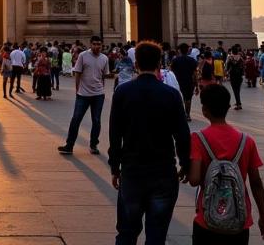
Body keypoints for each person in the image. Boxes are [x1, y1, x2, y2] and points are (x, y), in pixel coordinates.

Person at [108, 41, 190, 245]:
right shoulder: (171, 94)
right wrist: (185, 164)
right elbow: (182, 134)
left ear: (136, 63)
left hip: (132, 170)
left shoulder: (122, 92)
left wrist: (114, 166)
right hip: (163, 171)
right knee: (157, 234)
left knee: (126, 232)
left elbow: (114, 134)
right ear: (159, 63)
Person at [189, 84, 264, 243]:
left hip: (207, 220)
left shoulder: (198, 138)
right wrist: (263, 216)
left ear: (204, 110)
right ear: (228, 107)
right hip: (239, 221)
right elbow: (256, 182)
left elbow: (194, 180)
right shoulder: (246, 141)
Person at [59, 35, 110, 156]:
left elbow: (104, 75)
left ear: (102, 45)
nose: (97, 46)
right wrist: (77, 90)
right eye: (95, 44)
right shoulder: (83, 56)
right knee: (76, 119)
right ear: (90, 44)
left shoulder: (104, 58)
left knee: (96, 121)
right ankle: (69, 145)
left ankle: (93, 145)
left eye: (99, 44)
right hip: (83, 94)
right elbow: (77, 73)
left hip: (98, 95)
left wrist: (102, 89)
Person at [171, 43, 198, 120]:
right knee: (188, 99)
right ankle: (187, 115)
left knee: (178, 98)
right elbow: (195, 74)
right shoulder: (192, 60)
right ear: (187, 51)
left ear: (179, 50)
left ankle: (180, 114)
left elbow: (171, 72)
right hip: (189, 82)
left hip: (178, 82)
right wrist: (196, 85)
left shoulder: (175, 60)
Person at [225, 45, 245, 110]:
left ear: (232, 51)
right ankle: (238, 102)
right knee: (238, 90)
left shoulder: (230, 58)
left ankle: (239, 104)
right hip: (239, 76)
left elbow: (227, 67)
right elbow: (243, 66)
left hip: (233, 75)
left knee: (235, 90)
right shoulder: (241, 58)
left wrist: (226, 73)